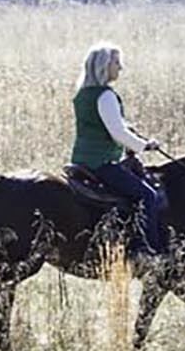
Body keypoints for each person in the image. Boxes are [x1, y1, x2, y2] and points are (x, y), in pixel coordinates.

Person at [68, 42, 171, 260]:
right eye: (116, 62)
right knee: (147, 195)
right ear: (104, 66)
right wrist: (144, 145)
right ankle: (146, 250)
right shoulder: (105, 95)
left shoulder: (82, 95)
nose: (120, 67)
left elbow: (107, 126)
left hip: (81, 160)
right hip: (102, 163)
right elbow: (117, 132)